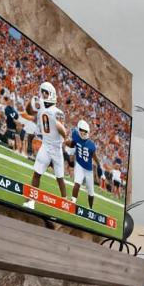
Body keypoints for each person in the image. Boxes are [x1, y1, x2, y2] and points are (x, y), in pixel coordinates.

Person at [22, 81, 68, 209]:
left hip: (56, 148)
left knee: (60, 178)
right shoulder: (43, 108)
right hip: (46, 146)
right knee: (37, 174)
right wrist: (31, 101)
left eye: (45, 93)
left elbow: (61, 128)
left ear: (51, 94)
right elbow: (30, 111)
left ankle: (65, 202)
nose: (43, 95)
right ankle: (31, 201)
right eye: (42, 93)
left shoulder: (55, 112)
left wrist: (64, 134)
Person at [70, 120, 100, 208]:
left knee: (91, 191)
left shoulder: (90, 144)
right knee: (77, 183)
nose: (82, 133)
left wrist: (98, 164)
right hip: (80, 164)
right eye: (81, 130)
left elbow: (94, 156)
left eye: (84, 131)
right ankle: (73, 201)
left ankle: (90, 208)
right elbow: (72, 143)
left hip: (88, 169)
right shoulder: (77, 137)